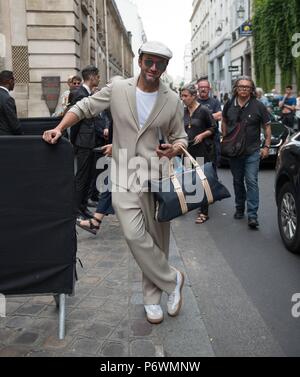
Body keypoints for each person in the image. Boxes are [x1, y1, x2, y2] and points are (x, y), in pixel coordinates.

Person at [43, 41, 187, 325]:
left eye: (160, 63)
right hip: (122, 175)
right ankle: (174, 280)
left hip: (157, 177)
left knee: (157, 240)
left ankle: (151, 299)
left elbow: (180, 136)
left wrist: (175, 148)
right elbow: (84, 106)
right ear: (140, 61)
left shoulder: (172, 100)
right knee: (134, 235)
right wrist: (59, 128)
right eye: (149, 61)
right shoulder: (119, 88)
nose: (153, 68)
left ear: (166, 67)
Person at [222, 76, 271, 230]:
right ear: (236, 88)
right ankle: (239, 207)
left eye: (247, 87)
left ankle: (252, 215)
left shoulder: (259, 106)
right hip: (234, 152)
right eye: (241, 86)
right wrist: (225, 138)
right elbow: (224, 121)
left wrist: (267, 147)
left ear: (252, 89)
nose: (244, 89)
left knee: (251, 181)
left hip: (252, 151)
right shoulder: (229, 104)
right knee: (237, 181)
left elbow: (267, 127)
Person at [181, 84, 216, 224]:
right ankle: (192, 205)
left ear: (193, 96)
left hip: (202, 150)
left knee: (202, 180)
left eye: (185, 96)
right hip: (187, 151)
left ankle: (204, 212)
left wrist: (202, 135)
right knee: (190, 179)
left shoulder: (204, 111)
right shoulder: (183, 112)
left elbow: (213, 127)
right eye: (182, 96)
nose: (183, 99)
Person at [70, 65, 100, 220]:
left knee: (88, 176)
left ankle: (82, 207)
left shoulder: (88, 93)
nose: (99, 79)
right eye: (98, 76)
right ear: (92, 77)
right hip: (83, 142)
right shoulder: (80, 94)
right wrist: (74, 142)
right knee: (81, 177)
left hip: (89, 141)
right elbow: (75, 121)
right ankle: (75, 211)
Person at [196, 78, 222, 166]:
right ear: (198, 89)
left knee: (212, 166)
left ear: (209, 89)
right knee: (198, 167)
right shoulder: (193, 102)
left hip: (212, 140)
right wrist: (211, 116)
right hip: (197, 139)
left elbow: (219, 116)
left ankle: (212, 180)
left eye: (205, 87)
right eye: (201, 87)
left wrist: (200, 116)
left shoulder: (215, 102)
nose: (203, 89)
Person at [0, 70, 22, 135]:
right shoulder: (7, 99)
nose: (14, 83)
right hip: (6, 140)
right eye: (14, 81)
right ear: (10, 81)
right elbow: (15, 125)